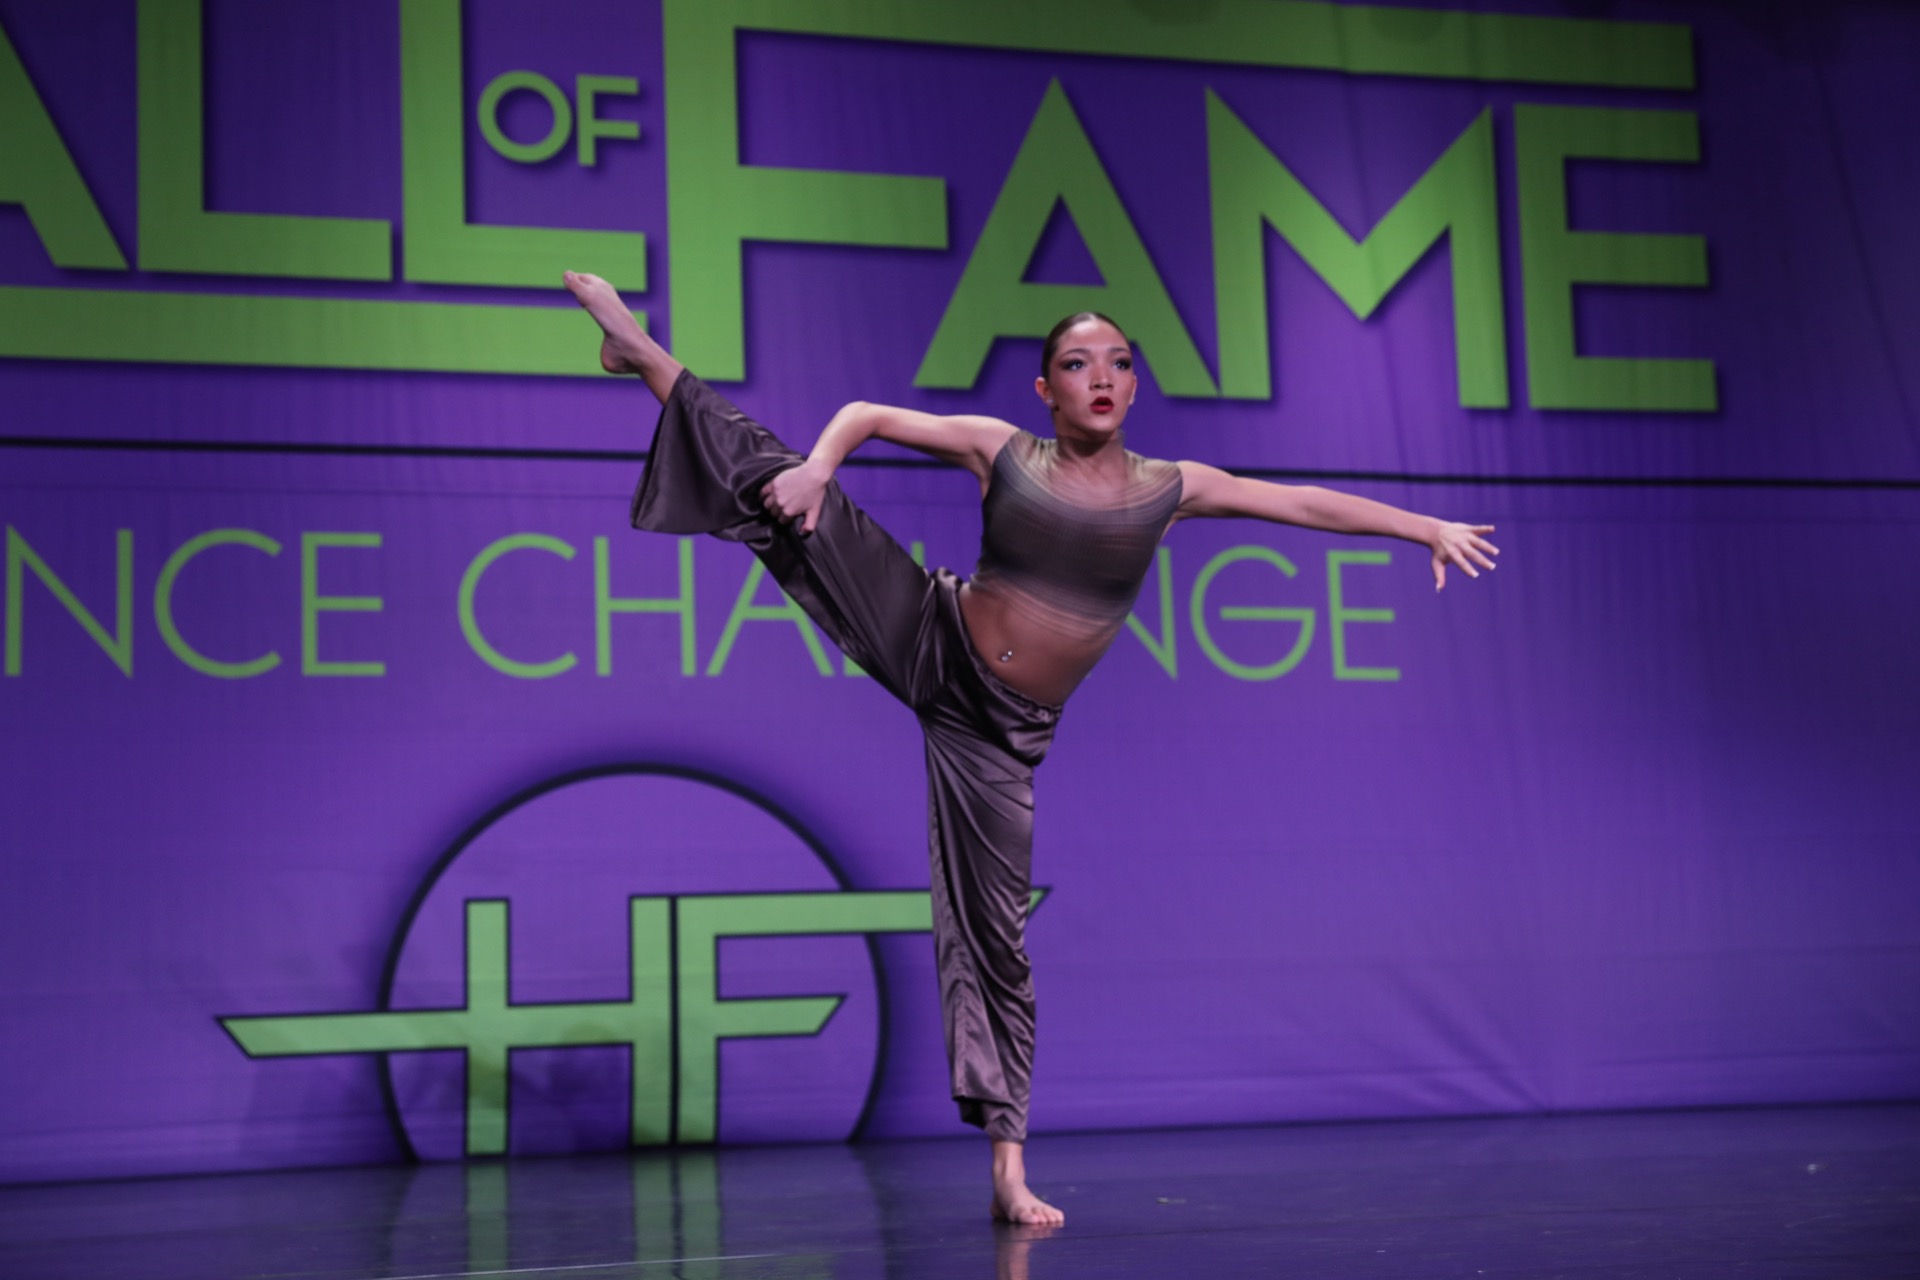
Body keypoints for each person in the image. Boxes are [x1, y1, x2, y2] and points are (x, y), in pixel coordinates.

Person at [563, 271, 1498, 1227]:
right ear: (1047, 390)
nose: (1102, 377)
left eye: (1118, 363)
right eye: (1078, 364)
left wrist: (1422, 526)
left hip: (997, 733)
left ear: (1135, 386)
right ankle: (644, 354)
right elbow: (868, 414)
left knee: (994, 939)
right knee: (783, 497)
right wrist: (822, 467)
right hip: (927, 634)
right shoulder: (1004, 451)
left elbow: (1299, 504)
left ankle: (1008, 1172)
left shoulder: (1169, 489)